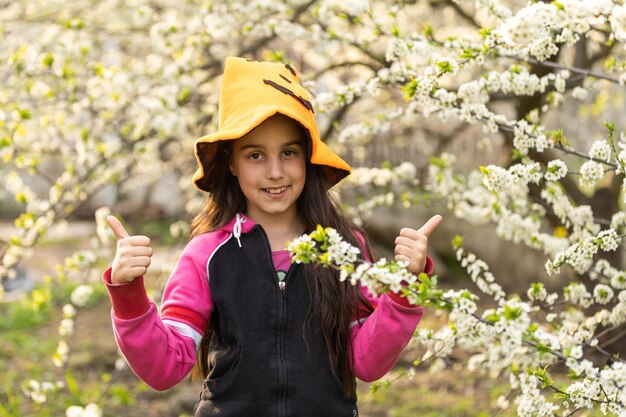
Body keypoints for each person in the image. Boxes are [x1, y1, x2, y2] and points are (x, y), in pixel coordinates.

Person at [103, 56, 442, 417]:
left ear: (308, 158)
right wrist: (128, 294)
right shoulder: (208, 254)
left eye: (289, 153)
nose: (275, 172)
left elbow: (367, 363)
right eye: (255, 155)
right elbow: (164, 368)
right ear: (231, 162)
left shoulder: (345, 249)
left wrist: (405, 286)